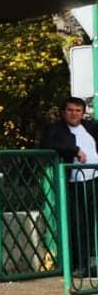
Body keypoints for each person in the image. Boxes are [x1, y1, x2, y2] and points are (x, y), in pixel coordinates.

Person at [41, 96, 98, 276]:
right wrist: (74, 151)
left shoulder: (91, 127)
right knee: (78, 223)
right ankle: (80, 265)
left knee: (93, 223)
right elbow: (48, 145)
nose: (74, 114)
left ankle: (92, 262)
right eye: (70, 110)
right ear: (63, 112)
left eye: (78, 111)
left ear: (83, 113)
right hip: (75, 181)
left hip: (95, 178)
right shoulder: (55, 129)